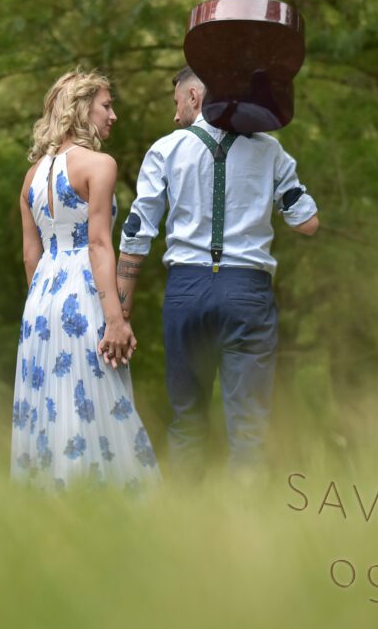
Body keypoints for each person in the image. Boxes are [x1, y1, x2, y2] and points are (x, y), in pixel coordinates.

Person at [115, 66, 319, 475]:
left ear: (195, 97)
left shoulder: (166, 150)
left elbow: (137, 235)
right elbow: (307, 222)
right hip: (247, 291)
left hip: (186, 291)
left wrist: (121, 310)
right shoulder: (269, 150)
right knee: (249, 427)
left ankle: (182, 528)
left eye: (177, 103)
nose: (175, 117)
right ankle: (249, 530)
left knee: (187, 420)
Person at [11, 68, 159, 492]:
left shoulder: (31, 177)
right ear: (81, 109)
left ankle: (52, 502)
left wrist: (41, 307)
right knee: (95, 400)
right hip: (83, 290)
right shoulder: (99, 165)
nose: (113, 116)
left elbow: (30, 255)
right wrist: (115, 317)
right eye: (106, 106)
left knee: (50, 407)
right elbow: (98, 244)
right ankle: (106, 501)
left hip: (40, 302)